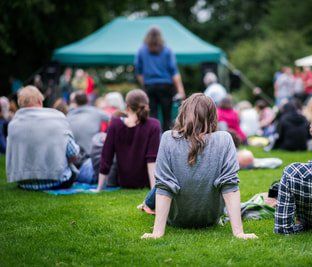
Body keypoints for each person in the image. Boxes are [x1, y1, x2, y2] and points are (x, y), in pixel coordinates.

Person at [141, 93, 257, 239]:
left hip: (177, 220)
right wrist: (239, 233)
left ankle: (147, 204)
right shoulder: (225, 139)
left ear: (183, 113)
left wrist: (157, 233)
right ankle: (147, 204)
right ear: (212, 115)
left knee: (160, 185)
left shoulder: (167, 138)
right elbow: (230, 186)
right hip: (210, 220)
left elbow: (164, 186)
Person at [6, 86, 80, 190]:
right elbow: (73, 154)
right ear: (40, 101)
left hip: (25, 183)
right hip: (58, 181)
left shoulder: (12, 125)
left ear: (20, 104)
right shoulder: (57, 118)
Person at [94, 89, 161, 190]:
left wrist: (99, 188)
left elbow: (106, 156)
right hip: (144, 182)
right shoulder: (154, 125)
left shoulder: (115, 123)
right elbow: (152, 160)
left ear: (127, 106)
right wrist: (153, 190)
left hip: (124, 182)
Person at [135, 27, 185, 131]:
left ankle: (154, 140)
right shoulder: (167, 50)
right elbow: (174, 71)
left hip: (150, 86)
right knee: (167, 117)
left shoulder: (141, 50)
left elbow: (138, 72)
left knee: (152, 116)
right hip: (165, 86)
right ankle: (166, 141)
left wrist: (145, 84)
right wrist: (180, 89)